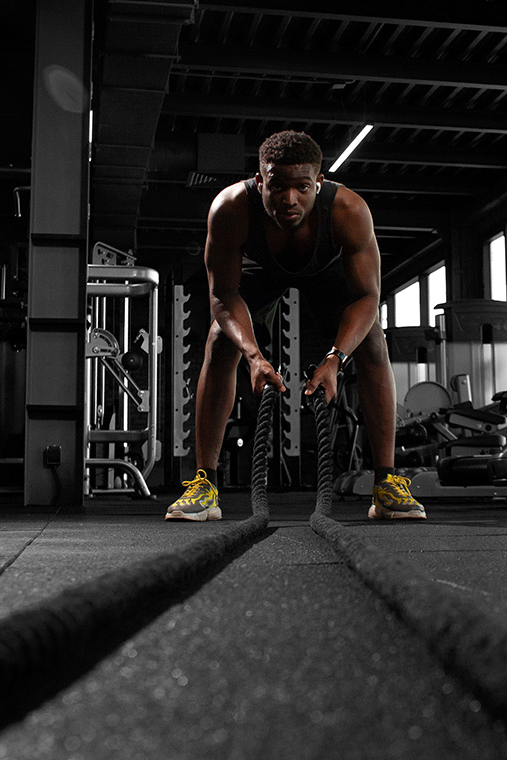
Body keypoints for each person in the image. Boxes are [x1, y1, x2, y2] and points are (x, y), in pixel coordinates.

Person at [166, 130, 426, 522]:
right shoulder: (231, 208)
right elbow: (222, 295)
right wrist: (254, 356)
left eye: (302, 187)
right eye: (278, 187)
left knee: (372, 339)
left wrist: (336, 358)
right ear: (260, 181)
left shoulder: (348, 211)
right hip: (259, 270)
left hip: (327, 270)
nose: (290, 199)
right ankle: (205, 483)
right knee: (221, 340)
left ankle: (386, 483)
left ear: (318, 184)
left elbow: (367, 298)